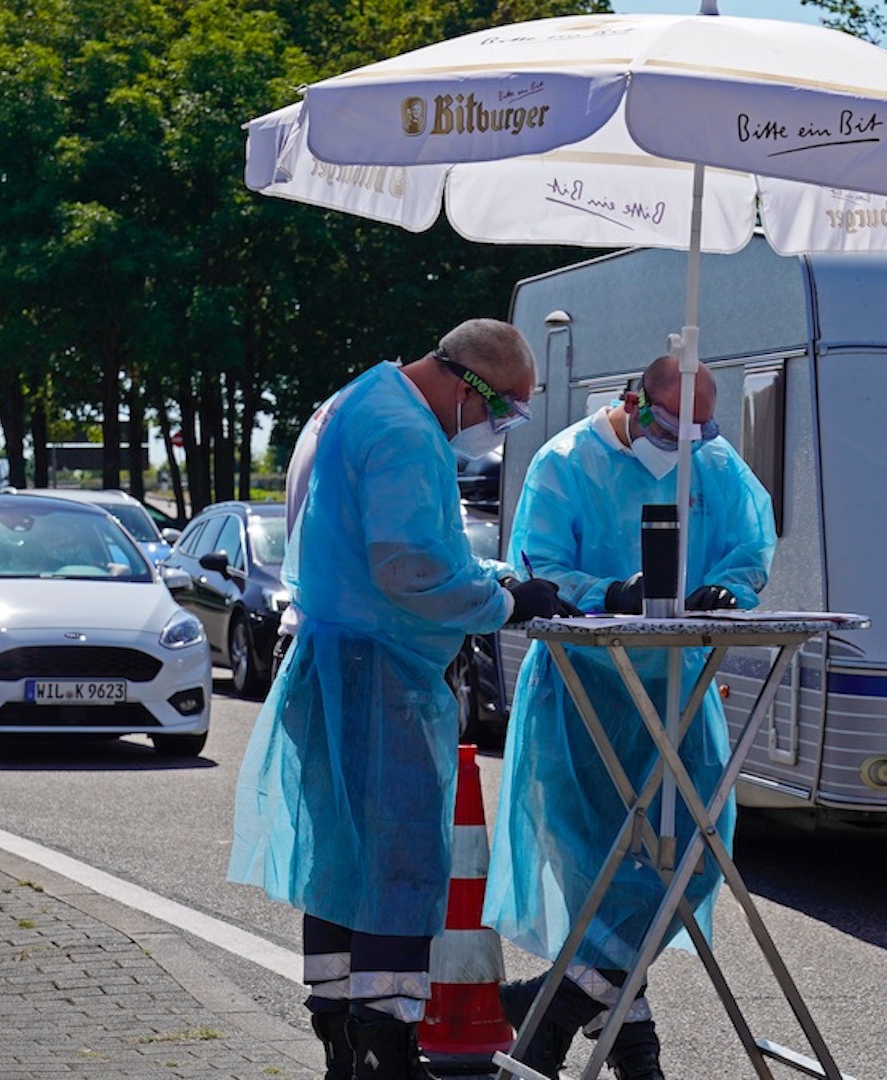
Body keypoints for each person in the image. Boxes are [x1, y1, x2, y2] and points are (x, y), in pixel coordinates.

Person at [227, 319, 574, 1080]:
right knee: (399, 867)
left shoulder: (351, 401)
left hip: (335, 663)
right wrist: (507, 604)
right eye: (503, 408)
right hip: (380, 673)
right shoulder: (405, 427)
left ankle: (340, 1043)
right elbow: (411, 569)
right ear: (466, 382)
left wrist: (489, 584)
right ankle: (385, 1042)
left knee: (340, 864)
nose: (498, 426)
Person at [486, 356, 777, 1080]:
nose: (683, 443)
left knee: (696, 854)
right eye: (672, 425)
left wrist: (725, 591)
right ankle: (630, 1043)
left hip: (679, 687)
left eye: (698, 431)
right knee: (595, 869)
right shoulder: (565, 463)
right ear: (632, 400)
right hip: (583, 693)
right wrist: (609, 590)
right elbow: (539, 569)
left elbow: (750, 544)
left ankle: (552, 1004)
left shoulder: (711, 463)